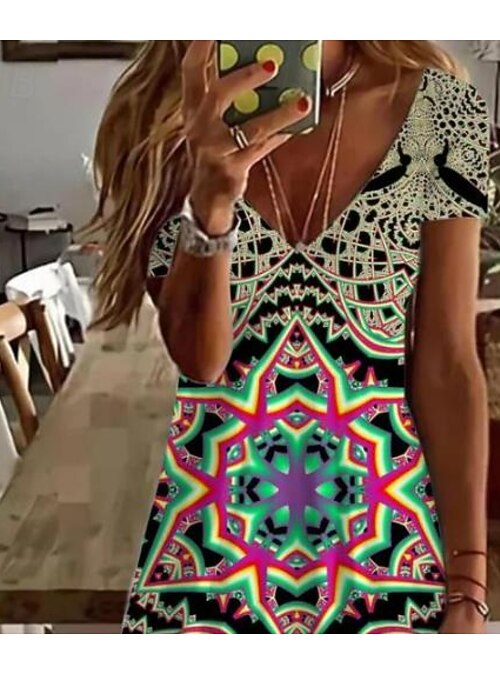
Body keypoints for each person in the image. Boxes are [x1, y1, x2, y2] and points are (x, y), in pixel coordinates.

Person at [83, 40, 492, 634]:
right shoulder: (161, 116)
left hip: (387, 555)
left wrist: (469, 585)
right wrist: (211, 201)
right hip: (208, 560)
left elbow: (448, 364)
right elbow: (201, 360)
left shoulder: (439, 109)